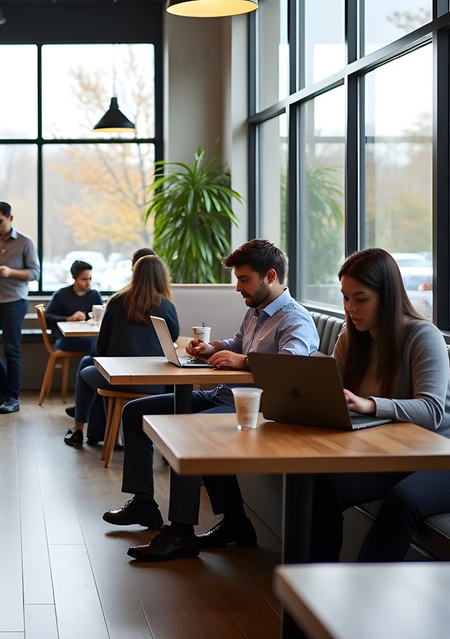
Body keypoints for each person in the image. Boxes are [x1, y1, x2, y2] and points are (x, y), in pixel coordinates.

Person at [104, 239, 319, 562]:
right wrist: (213, 348)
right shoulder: (256, 311)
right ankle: (150, 504)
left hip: (256, 410)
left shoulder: (295, 319)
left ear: (270, 276)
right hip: (223, 395)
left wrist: (243, 361)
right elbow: (239, 342)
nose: (237, 288)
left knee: (191, 432)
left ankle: (180, 534)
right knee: (137, 412)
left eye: (244, 279)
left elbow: (291, 367)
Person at [310, 248, 450, 562]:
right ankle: (308, 589)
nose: (351, 308)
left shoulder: (422, 336)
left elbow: (431, 410)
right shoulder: (350, 338)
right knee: (321, 486)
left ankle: (360, 600)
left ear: (387, 296)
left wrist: (370, 405)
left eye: (360, 299)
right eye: (345, 298)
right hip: (394, 458)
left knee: (401, 501)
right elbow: (331, 393)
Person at [64, 255, 178, 447]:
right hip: (155, 384)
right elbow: (172, 338)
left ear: (135, 274)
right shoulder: (167, 306)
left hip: (116, 380)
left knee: (85, 372)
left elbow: (102, 345)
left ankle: (79, 431)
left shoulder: (117, 301)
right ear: (161, 277)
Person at [0, 201, 40, 415]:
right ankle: (5, 392)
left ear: (10, 218)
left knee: (11, 350)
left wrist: (9, 272)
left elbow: (34, 273)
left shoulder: (25, 242)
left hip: (14, 301)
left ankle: (13, 398)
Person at [44, 259, 103, 354]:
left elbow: (102, 317)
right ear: (74, 277)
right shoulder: (61, 295)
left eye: (90, 279)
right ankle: (91, 367)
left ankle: (89, 366)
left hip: (89, 336)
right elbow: (47, 317)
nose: (88, 283)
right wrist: (69, 318)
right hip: (65, 339)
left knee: (99, 341)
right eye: (84, 279)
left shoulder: (94, 295)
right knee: (96, 343)